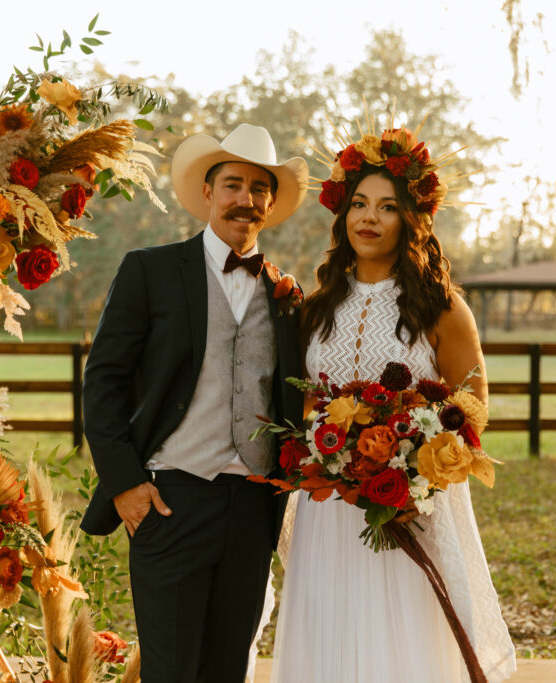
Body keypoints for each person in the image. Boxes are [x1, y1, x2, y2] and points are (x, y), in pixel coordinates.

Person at [270, 125, 516, 682]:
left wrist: (413, 466)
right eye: (359, 204)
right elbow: (301, 405)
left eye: (387, 206)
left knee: (405, 643)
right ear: (342, 214)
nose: (369, 218)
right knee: (330, 635)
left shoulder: (441, 307)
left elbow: (473, 406)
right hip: (329, 509)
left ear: (412, 218)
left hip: (412, 507)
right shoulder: (315, 308)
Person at [80, 123, 308, 682]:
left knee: (228, 669)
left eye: (259, 189)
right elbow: (103, 381)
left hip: (253, 506)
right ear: (208, 193)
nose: (245, 199)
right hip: (170, 498)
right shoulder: (150, 270)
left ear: (271, 203)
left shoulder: (285, 294)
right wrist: (125, 483)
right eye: (233, 184)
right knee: (171, 672)